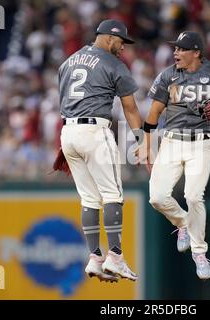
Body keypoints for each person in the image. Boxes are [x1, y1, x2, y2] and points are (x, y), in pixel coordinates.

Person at [141, 31, 210, 280]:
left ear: (196, 52)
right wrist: (145, 145)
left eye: (181, 49)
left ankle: (200, 253)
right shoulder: (168, 75)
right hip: (171, 142)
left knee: (193, 196)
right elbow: (154, 113)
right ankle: (182, 223)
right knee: (156, 198)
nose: (176, 53)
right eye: (175, 49)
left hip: (200, 144)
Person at [58, 19, 142, 282]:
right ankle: (115, 257)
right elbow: (129, 108)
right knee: (112, 194)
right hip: (94, 131)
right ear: (107, 38)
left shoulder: (67, 62)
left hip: (68, 133)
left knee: (89, 199)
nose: (122, 48)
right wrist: (141, 139)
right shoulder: (113, 64)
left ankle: (95, 257)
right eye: (120, 41)